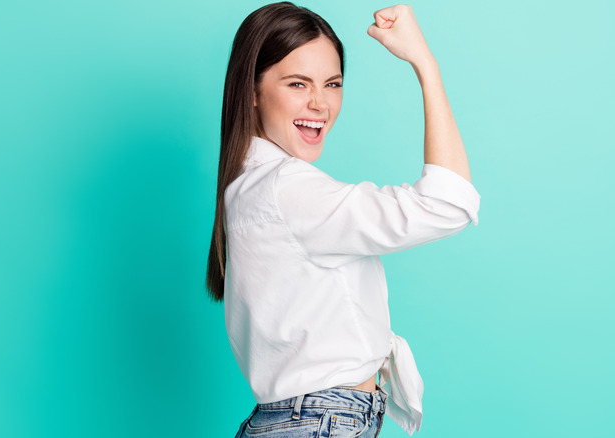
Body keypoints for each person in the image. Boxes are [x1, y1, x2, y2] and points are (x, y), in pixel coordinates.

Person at [206, 2, 481, 436]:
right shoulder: (286, 189)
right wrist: (425, 65)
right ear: (253, 91)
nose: (319, 103)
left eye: (332, 84)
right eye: (297, 83)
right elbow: (448, 204)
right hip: (320, 423)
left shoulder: (247, 188)